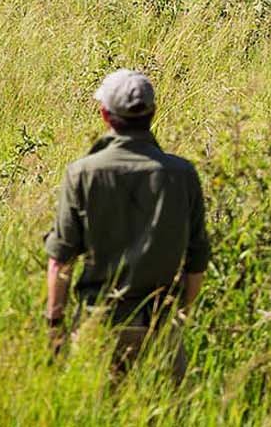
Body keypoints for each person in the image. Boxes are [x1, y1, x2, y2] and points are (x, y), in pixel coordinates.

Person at [44, 69, 210, 379]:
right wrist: (176, 314)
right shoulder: (182, 174)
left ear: (105, 114)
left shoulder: (82, 173)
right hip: (159, 327)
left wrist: (55, 325)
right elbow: (197, 262)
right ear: (153, 113)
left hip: (99, 325)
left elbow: (60, 262)